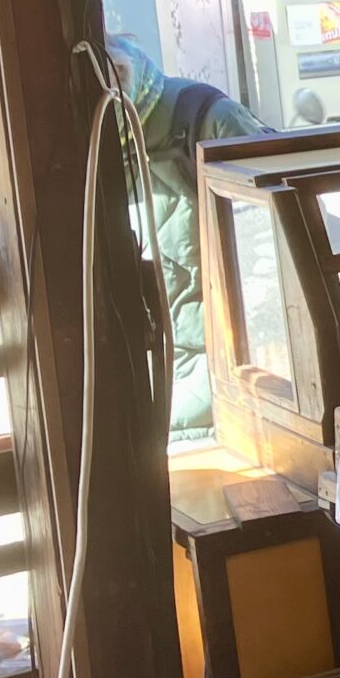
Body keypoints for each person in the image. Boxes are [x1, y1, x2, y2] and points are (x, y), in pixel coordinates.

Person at [105, 36, 267, 447]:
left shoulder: (207, 121)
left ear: (118, 77)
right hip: (158, 381)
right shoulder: (97, 151)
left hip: (230, 382)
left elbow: (271, 252)